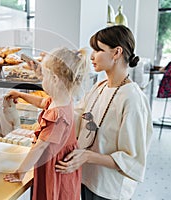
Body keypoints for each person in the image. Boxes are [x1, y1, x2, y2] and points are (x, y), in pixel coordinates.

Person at [55, 25, 153, 200]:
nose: (92, 56)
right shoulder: (100, 86)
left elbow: (132, 158)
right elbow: (76, 116)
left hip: (109, 189)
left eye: (97, 50)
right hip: (87, 178)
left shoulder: (132, 98)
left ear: (116, 53)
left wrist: (88, 156)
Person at [3, 47, 89, 200]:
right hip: (58, 164)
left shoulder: (57, 116)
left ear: (54, 79)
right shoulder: (62, 100)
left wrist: (20, 172)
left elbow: (40, 146)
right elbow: (43, 102)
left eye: (44, 76)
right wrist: (20, 94)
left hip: (55, 171)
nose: (41, 80)